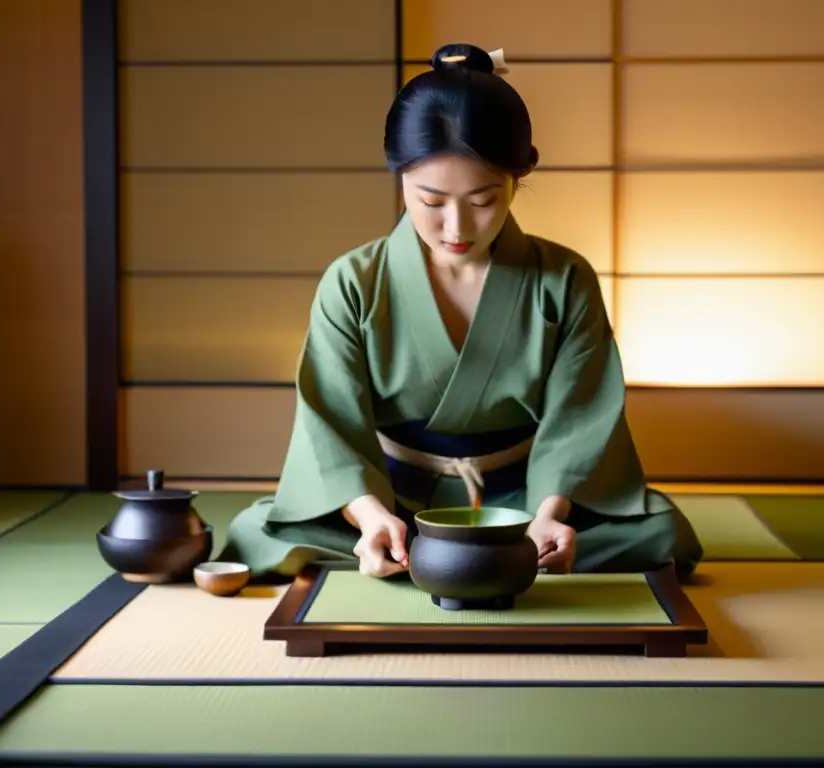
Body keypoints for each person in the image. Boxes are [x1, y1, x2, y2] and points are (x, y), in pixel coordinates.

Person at [222, 43, 704, 582]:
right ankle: (412, 551)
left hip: (522, 504)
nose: (457, 229)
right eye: (431, 202)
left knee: (663, 533)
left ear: (521, 177)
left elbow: (579, 423)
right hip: (393, 497)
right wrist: (370, 517)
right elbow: (329, 424)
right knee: (258, 533)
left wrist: (548, 517)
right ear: (398, 174)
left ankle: (501, 555)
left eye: (483, 202)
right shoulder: (354, 282)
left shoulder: (563, 280)